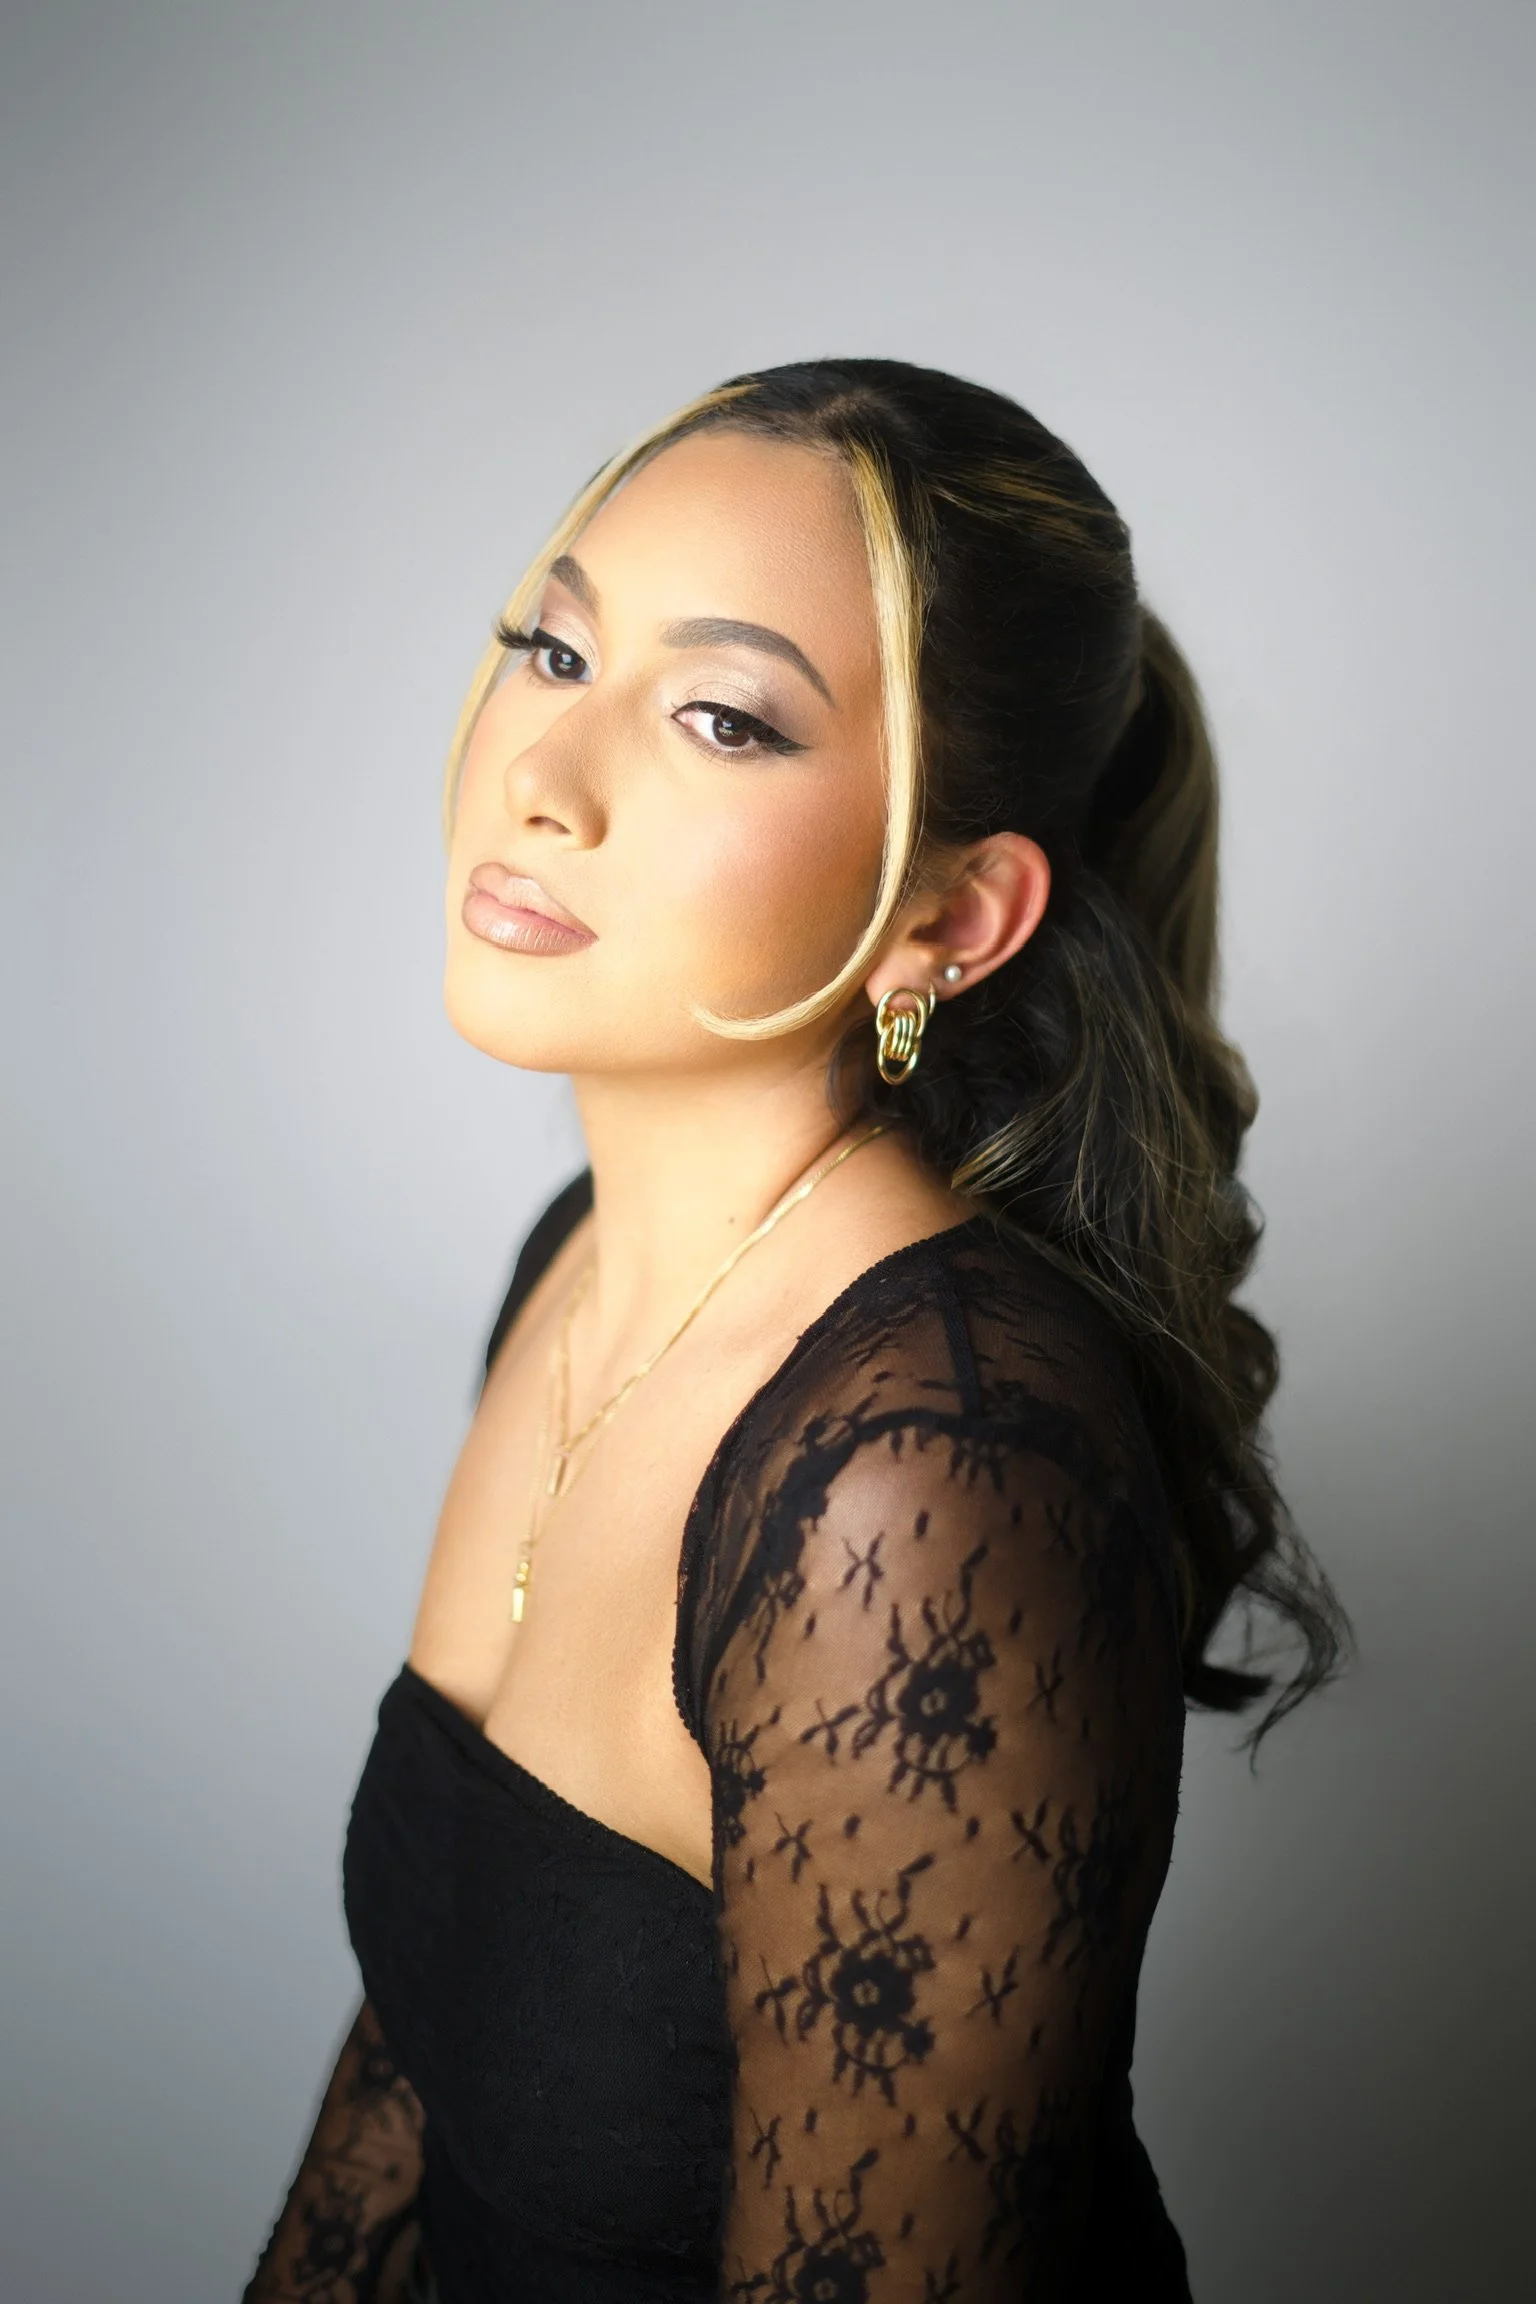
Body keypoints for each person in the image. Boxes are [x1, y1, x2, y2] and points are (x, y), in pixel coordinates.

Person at [241, 358, 1349, 2303]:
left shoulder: (922, 1475)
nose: (541, 777)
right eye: (553, 650)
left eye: (722, 719)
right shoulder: (580, 1266)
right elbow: (429, 2044)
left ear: (951, 922)